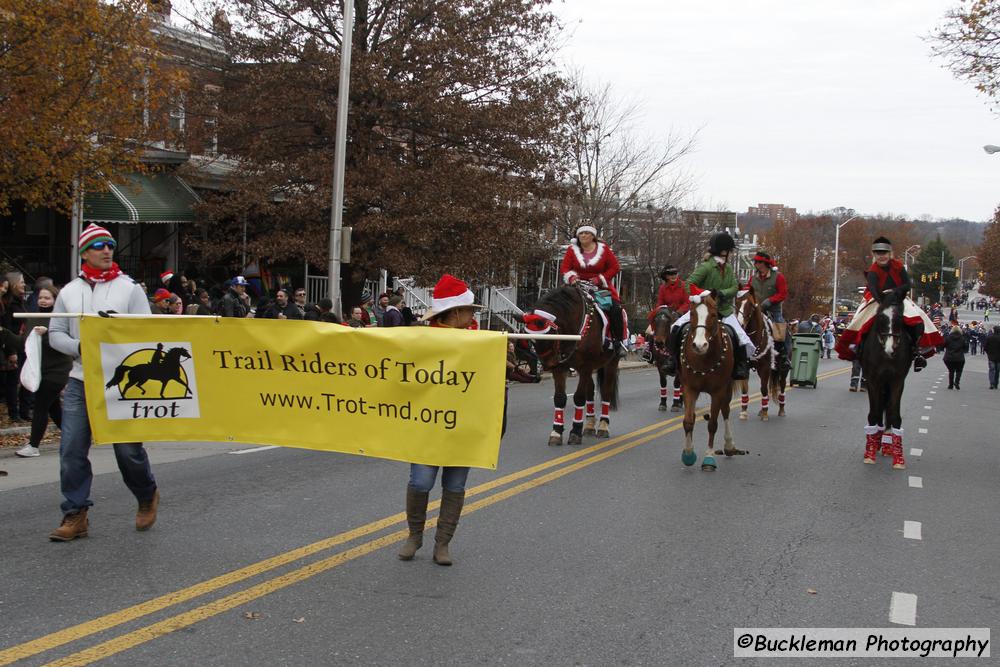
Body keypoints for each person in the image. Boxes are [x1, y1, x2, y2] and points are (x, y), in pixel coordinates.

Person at [48, 224, 159, 541]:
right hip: (81, 381)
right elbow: (56, 334)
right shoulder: (69, 292)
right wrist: (79, 348)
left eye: (110, 244)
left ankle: (146, 495)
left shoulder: (130, 289)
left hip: (120, 385)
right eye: (98, 245)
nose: (107, 250)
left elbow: (147, 334)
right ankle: (75, 513)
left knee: (127, 452)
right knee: (71, 450)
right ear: (84, 252)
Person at [398, 274, 487, 566]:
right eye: (470, 311)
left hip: (463, 425)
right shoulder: (422, 340)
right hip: (427, 423)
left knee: (455, 486)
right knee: (421, 482)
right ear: (457, 312)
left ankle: (442, 544)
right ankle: (414, 535)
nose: (473, 316)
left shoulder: (481, 342)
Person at [835, 237, 943, 371]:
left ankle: (917, 351)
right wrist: (883, 301)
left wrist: (896, 292)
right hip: (877, 299)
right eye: (878, 253)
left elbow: (907, 284)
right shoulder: (873, 270)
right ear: (874, 255)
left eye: (884, 253)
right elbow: (873, 288)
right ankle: (857, 348)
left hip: (898, 297)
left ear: (889, 254)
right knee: (859, 318)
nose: (882, 256)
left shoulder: (898, 266)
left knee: (918, 318)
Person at [661, 232, 755, 379]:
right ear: (723, 252)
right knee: (676, 327)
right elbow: (689, 284)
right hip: (703, 310)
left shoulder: (728, 269)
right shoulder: (705, 267)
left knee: (741, 336)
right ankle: (672, 360)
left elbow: (735, 287)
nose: (730, 254)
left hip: (723, 310)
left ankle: (741, 366)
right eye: (729, 251)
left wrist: (722, 293)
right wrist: (703, 295)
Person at [0, 285, 72, 458]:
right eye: (41, 297)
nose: (43, 301)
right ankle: (75, 435)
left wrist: (47, 334)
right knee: (54, 408)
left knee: (40, 406)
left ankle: (33, 446)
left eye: (47, 298)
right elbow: (24, 344)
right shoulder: (33, 317)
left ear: (56, 300)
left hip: (57, 371)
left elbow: (66, 345)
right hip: (40, 370)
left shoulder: (62, 318)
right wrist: (4, 333)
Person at [560, 224, 628, 356]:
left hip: (600, 288)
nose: (583, 236)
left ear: (593, 236)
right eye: (581, 233)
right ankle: (560, 343)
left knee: (615, 309)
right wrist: (571, 277)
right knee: (559, 306)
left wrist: (600, 278)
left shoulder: (604, 250)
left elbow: (615, 267)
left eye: (586, 233)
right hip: (576, 287)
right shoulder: (571, 250)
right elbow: (565, 268)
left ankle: (617, 342)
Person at [744, 251, 791, 361]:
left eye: (758, 262)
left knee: (781, 328)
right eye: (755, 262)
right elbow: (748, 289)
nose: (756, 264)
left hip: (773, 311)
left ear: (765, 263)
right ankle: (743, 354)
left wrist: (770, 300)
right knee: (742, 325)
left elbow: (783, 294)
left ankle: (784, 355)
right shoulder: (753, 278)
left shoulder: (778, 277)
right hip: (755, 309)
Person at [942, 325, 968, 390]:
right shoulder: (962, 338)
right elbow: (965, 347)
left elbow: (943, 345)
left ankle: (950, 384)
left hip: (949, 357)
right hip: (959, 357)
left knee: (951, 371)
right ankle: (957, 382)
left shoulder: (948, 338)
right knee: (959, 371)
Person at [985, 325, 1000, 390]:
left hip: (991, 356)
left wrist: (989, 353)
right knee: (997, 370)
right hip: (999, 357)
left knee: (992, 369)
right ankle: (996, 383)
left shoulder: (989, 338)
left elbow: (985, 347)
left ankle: (991, 383)